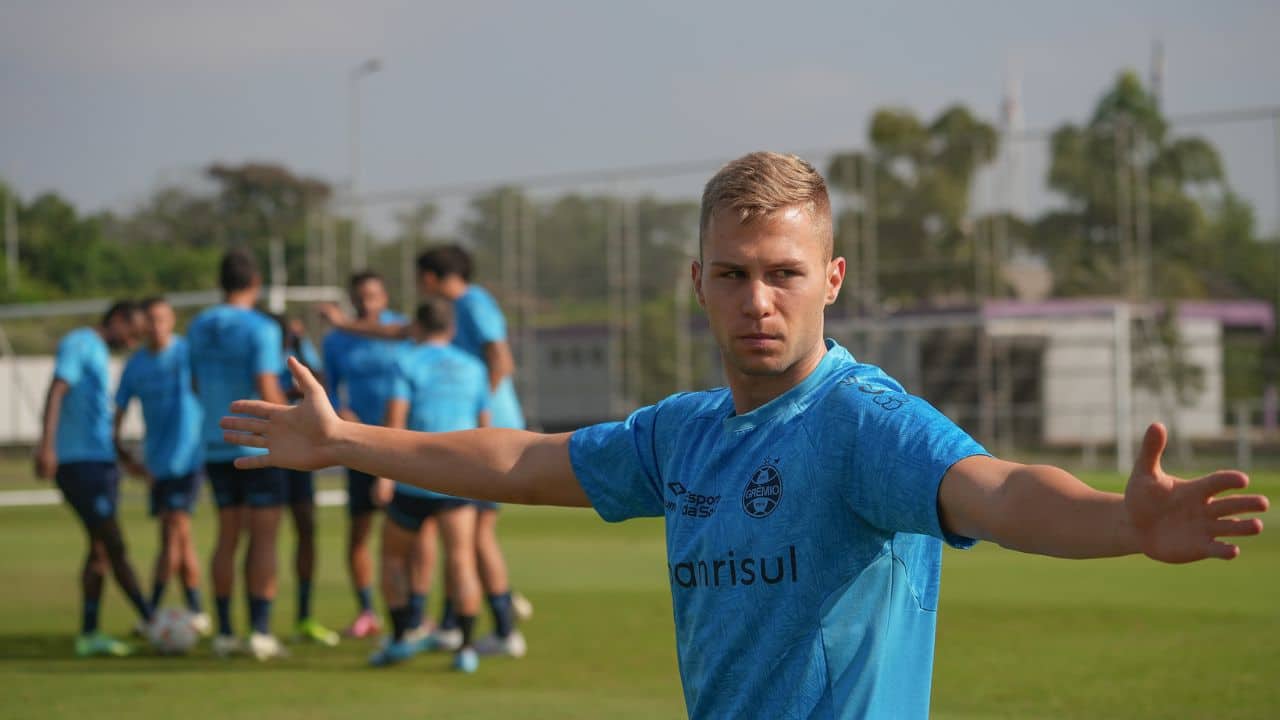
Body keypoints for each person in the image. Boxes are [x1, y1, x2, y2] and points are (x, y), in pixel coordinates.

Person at [222, 152, 1269, 719]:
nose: (756, 300)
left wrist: (1116, 522)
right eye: (732, 273)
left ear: (831, 280)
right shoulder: (685, 434)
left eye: (783, 273)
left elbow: (995, 492)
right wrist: (350, 440)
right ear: (698, 282)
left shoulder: (862, 420)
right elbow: (526, 457)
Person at [321, 247, 529, 656]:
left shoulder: (474, 303)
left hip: (487, 432)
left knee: (475, 539)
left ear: (431, 278)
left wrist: (466, 409)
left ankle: (504, 629)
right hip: (469, 432)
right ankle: (456, 625)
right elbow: (401, 332)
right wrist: (346, 325)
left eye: (419, 279)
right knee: (462, 539)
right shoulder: (443, 320)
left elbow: (501, 361)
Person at [369, 297, 489, 672]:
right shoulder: (473, 366)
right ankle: (466, 648)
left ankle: (403, 636)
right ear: (451, 329)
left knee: (391, 556)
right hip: (461, 478)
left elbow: (394, 424)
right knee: (461, 560)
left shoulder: (405, 361)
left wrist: (383, 476)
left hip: (415, 477)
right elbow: (485, 427)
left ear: (417, 328)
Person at [35, 300, 154, 657]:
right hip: (80, 464)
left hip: (100, 463)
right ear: (117, 320)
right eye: (131, 334)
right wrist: (47, 446)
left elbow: (96, 412)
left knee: (100, 549)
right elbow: (56, 391)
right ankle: (154, 621)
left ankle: (89, 633)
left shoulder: (98, 352)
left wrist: (122, 457)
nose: (132, 343)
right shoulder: (80, 343)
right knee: (114, 545)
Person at [188, 249, 289, 661]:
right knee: (263, 538)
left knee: (226, 536)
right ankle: (260, 633)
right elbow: (266, 385)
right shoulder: (260, 327)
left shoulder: (198, 325)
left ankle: (225, 632)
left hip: (215, 442)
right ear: (256, 282)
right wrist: (294, 422)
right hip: (257, 443)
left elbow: (194, 382)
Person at [320, 271, 414, 639]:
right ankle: (367, 611)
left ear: (385, 297)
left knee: (411, 532)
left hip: (404, 441)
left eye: (373, 295)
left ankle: (413, 610)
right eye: (360, 297)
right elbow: (329, 390)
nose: (367, 303)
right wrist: (343, 414)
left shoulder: (402, 331)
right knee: (359, 530)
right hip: (360, 442)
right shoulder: (337, 340)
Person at [112, 297, 210, 636]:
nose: (156, 326)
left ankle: (151, 614)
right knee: (181, 538)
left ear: (172, 320)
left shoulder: (188, 353)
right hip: (157, 465)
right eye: (150, 319)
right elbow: (117, 418)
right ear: (142, 324)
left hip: (190, 459)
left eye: (162, 319)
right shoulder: (136, 366)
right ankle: (197, 610)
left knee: (173, 533)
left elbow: (210, 389)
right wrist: (128, 460)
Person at [273, 314, 340, 647]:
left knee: (306, 529)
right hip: (269, 452)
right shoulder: (261, 351)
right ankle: (259, 623)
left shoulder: (299, 353)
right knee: (262, 536)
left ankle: (304, 616)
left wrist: (300, 344)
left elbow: (318, 382)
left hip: (298, 453)